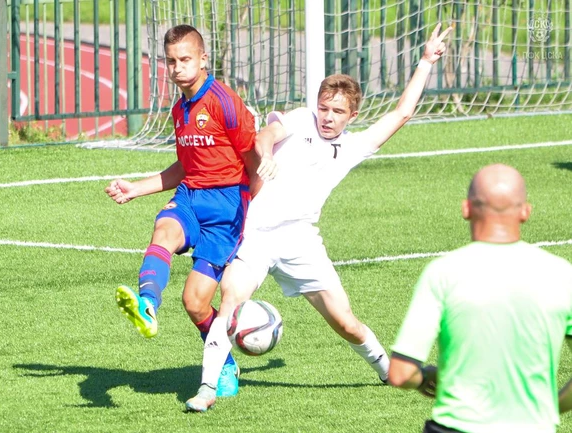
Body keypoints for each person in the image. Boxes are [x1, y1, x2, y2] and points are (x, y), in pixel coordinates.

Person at [184, 23, 453, 412]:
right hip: (255, 237)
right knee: (229, 306)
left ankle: (387, 370)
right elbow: (266, 134)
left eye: (337, 111)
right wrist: (267, 153)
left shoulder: (352, 147)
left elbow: (402, 113)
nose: (328, 116)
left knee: (346, 323)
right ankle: (207, 388)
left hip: (301, 242)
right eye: (324, 107)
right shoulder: (299, 121)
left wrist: (426, 61)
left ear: (352, 114)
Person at [104, 24, 259, 397]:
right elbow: (185, 166)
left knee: (195, 302)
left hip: (226, 207)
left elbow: (253, 158)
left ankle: (223, 361)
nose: (177, 68)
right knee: (164, 230)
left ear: (203, 59)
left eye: (185, 59)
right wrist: (137, 189)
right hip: (191, 195)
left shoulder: (224, 102)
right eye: (171, 61)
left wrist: (253, 206)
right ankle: (147, 304)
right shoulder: (180, 108)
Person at [388, 164, 572, 433]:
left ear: (466, 209)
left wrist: (425, 377)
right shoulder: (563, 275)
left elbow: (401, 373)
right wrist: (550, 407)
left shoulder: (442, 273)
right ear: (525, 212)